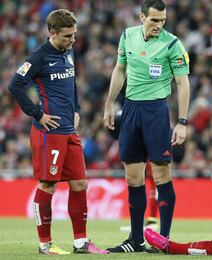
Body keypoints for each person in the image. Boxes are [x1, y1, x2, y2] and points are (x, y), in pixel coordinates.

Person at [7, 9, 108, 255]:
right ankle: (45, 245)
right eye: (66, 36)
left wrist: (76, 108)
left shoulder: (68, 52)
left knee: (80, 183)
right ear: (52, 33)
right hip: (48, 132)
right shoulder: (39, 57)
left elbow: (70, 82)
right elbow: (15, 85)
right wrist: (38, 113)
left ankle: (81, 243)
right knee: (48, 185)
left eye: (73, 34)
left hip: (68, 130)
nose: (72, 39)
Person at [103, 0, 190, 253]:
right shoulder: (127, 36)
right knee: (133, 177)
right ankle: (136, 240)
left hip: (156, 111)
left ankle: (163, 240)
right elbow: (120, 69)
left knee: (161, 174)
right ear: (142, 17)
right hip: (130, 110)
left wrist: (182, 121)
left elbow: (183, 84)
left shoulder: (173, 43)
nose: (159, 25)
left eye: (163, 20)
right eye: (154, 20)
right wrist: (109, 104)